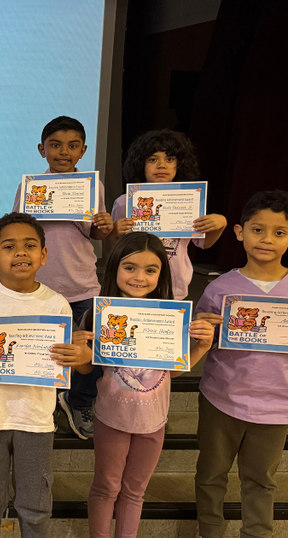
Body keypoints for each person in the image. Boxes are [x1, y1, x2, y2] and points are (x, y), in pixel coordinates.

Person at [0, 212, 93, 538]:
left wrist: (81, 357)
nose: (20, 253)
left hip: (36, 418)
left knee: (36, 504)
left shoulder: (57, 304)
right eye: (9, 246)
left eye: (30, 245)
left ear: (43, 255)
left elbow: (73, 362)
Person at [84, 232, 214, 538]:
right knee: (106, 488)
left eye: (150, 270)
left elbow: (172, 373)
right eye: (130, 267)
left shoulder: (171, 318)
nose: (139, 277)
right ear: (114, 268)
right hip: (111, 418)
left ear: (162, 274)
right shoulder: (98, 314)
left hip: (153, 422)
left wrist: (201, 348)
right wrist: (79, 351)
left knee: (134, 491)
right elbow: (86, 366)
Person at [12, 116, 113, 440]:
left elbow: (95, 232)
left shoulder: (91, 186)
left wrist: (103, 224)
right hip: (40, 287)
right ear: (42, 149)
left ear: (83, 150)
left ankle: (78, 400)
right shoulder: (30, 188)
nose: (63, 152)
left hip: (81, 284)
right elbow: (17, 230)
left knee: (89, 350)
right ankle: (42, 403)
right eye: (55, 145)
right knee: (41, 350)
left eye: (72, 146)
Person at [194, 190, 288, 538]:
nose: (267, 239)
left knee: (261, 481)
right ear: (239, 232)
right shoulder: (220, 288)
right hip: (222, 400)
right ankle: (210, 533)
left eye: (279, 232)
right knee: (210, 475)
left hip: (277, 409)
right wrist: (202, 330)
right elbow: (201, 340)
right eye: (258, 229)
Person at [106, 129, 227, 300]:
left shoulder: (189, 201)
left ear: (180, 164)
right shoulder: (124, 202)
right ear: (140, 164)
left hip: (174, 287)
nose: (161, 165)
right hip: (135, 286)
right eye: (152, 159)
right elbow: (114, 248)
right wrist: (113, 232)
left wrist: (221, 223)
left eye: (169, 159)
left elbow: (204, 243)